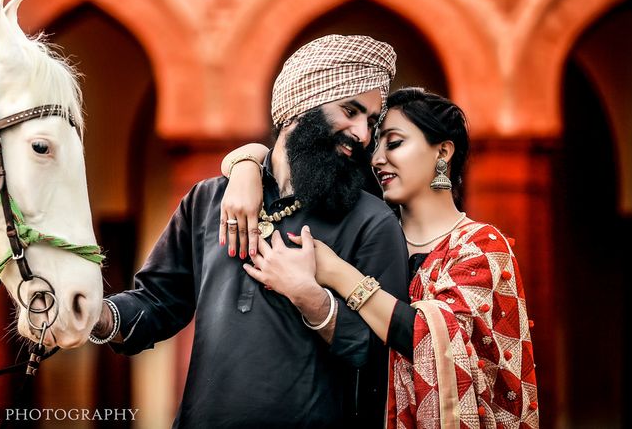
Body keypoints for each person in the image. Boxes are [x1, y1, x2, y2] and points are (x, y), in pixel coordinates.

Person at [88, 35, 409, 428]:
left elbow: (385, 359)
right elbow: (158, 302)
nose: (362, 134)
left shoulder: (373, 221)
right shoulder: (208, 200)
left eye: (371, 121)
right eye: (350, 110)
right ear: (299, 106)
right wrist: (95, 316)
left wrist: (311, 299)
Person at [223, 87, 540, 428]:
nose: (376, 159)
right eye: (375, 146)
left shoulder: (480, 246)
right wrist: (245, 166)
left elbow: (433, 342)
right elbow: (286, 154)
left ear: (443, 152)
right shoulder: (367, 231)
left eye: (394, 143)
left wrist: (337, 272)